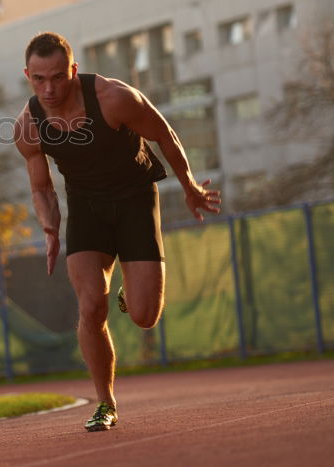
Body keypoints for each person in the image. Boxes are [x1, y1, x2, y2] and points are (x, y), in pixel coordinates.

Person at [13, 31, 221, 432]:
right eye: (39, 79)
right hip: (87, 209)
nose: (49, 88)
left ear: (73, 69)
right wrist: (50, 228)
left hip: (134, 200)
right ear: (28, 75)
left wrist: (190, 185)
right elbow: (41, 187)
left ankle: (134, 288)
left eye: (58, 76)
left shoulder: (114, 97)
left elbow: (164, 134)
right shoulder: (29, 126)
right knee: (91, 305)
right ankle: (105, 403)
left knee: (144, 316)